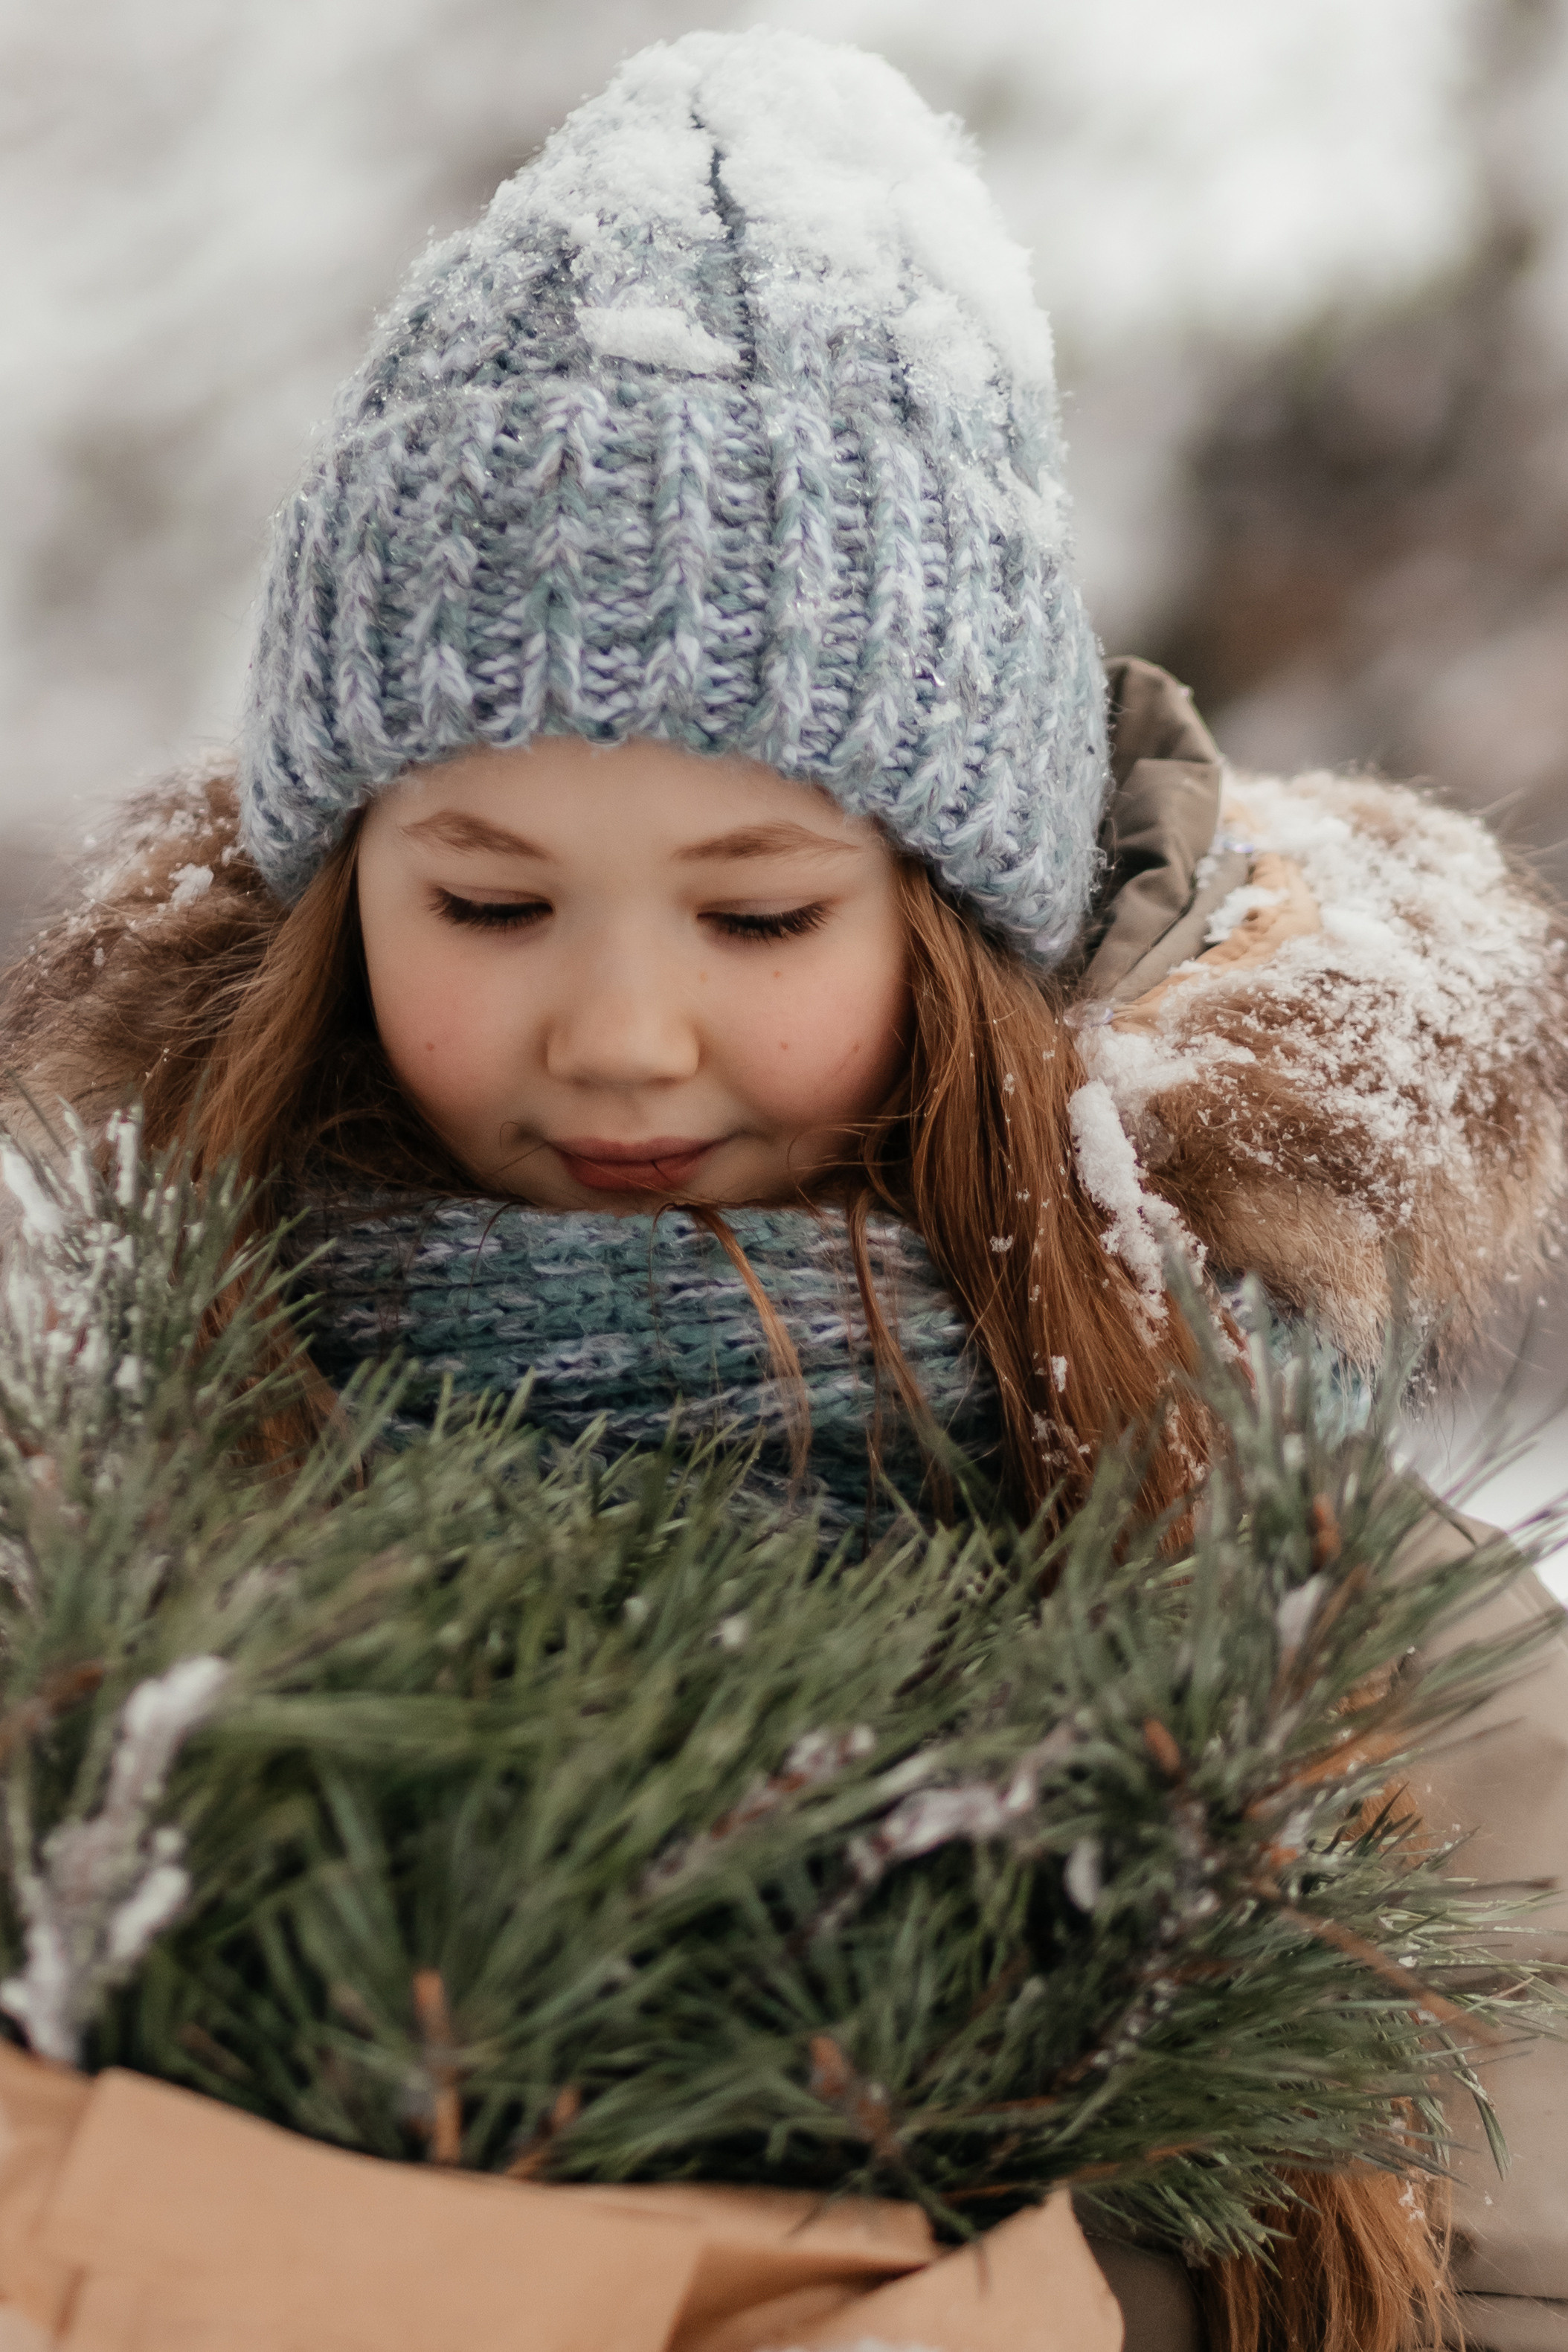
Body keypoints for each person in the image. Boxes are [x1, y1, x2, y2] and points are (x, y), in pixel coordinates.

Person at [1, 29, 1567, 2351]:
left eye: (754, 918)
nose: (620, 1033)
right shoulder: (126, 1497)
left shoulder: (1266, 1564)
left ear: (954, 927)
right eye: (491, 905)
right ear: (345, 902)